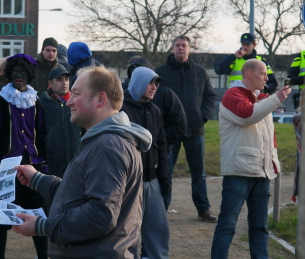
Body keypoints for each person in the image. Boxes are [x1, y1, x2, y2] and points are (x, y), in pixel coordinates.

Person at [12, 66, 152, 259]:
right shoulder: (102, 141)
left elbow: (100, 215)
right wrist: (37, 180)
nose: (69, 101)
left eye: (76, 94)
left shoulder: (108, 146)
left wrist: (41, 226)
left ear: (100, 99)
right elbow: (79, 194)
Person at [211, 59, 290, 258]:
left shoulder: (262, 98)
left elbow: (268, 137)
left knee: (260, 227)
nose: (267, 78)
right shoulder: (232, 95)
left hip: (261, 171)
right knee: (227, 225)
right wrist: (276, 99)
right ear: (249, 74)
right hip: (239, 171)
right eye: (263, 73)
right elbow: (247, 115)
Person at [0, 54, 48, 259]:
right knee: (2, 218)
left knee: (37, 216)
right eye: (15, 72)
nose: (19, 76)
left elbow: (42, 136)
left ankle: (43, 256)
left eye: (23, 72)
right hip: (6, 167)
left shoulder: (36, 103)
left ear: (28, 75)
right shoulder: (0, 101)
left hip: (32, 166)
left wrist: (43, 166)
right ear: (10, 75)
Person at [155, 35, 217, 222]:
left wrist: (203, 115)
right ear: (172, 49)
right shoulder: (160, 72)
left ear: (190, 49)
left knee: (199, 173)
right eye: (177, 45)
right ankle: (161, 209)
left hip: (194, 129)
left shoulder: (200, 72)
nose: (181, 48)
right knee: (165, 172)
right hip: (169, 131)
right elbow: (154, 98)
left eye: (184, 45)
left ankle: (203, 209)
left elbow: (210, 96)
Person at [120, 67, 170, 259]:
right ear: (139, 82)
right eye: (150, 82)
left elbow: (161, 146)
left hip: (151, 180)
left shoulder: (155, 110)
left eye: (156, 83)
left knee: (158, 231)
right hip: (129, 183)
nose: (154, 87)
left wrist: (164, 178)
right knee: (127, 232)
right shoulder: (121, 109)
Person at [39, 66, 80, 178]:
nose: (64, 83)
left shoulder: (77, 102)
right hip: (52, 164)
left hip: (76, 163)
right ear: (50, 83)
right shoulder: (41, 104)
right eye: (59, 79)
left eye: (66, 79)